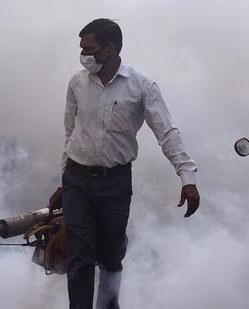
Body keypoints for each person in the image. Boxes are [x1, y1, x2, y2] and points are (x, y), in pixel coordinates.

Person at [47, 18, 200, 309]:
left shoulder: (141, 86)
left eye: (89, 49)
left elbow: (167, 132)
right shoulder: (77, 83)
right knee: (80, 257)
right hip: (77, 179)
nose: (83, 55)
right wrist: (61, 182)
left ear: (110, 49)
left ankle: (108, 305)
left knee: (110, 256)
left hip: (115, 183)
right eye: (81, 48)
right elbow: (70, 134)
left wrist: (188, 178)